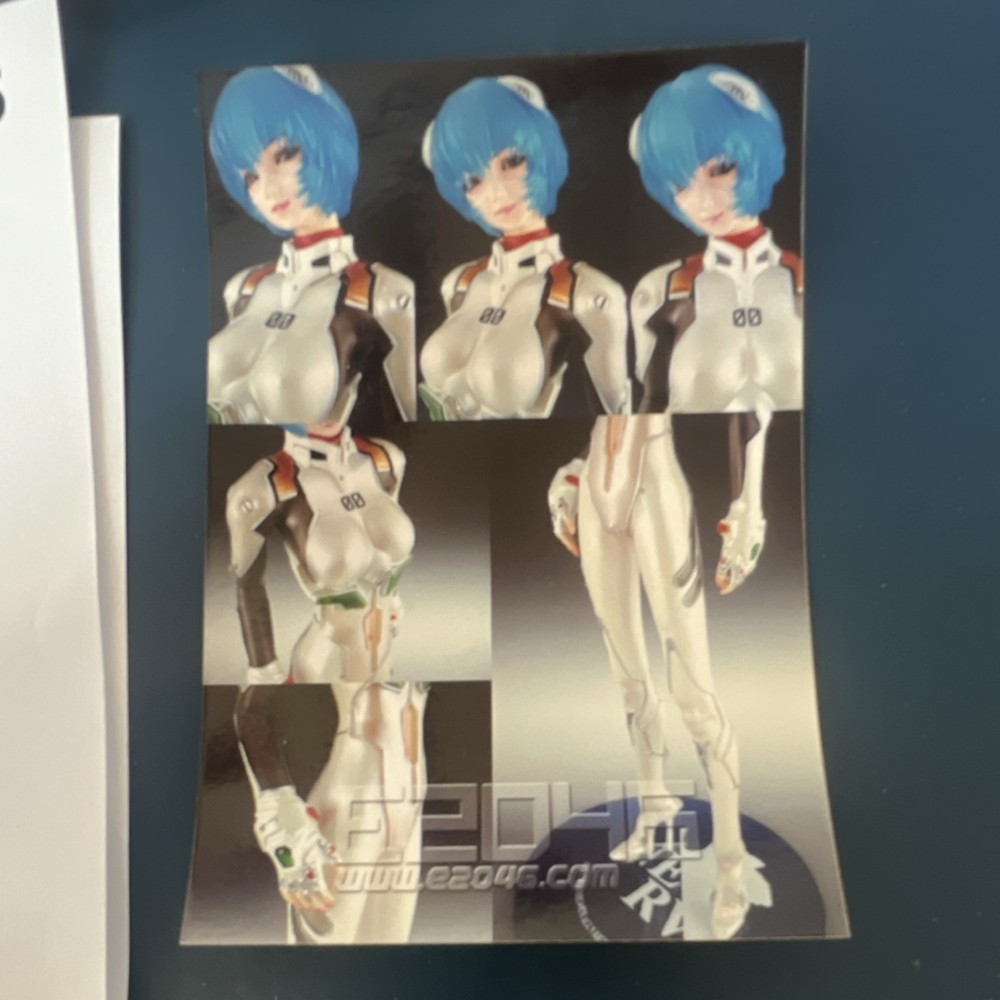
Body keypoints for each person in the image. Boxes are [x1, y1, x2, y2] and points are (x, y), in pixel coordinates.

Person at [549, 414, 749, 940]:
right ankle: (654, 802)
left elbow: (750, 401)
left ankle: (731, 862)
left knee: (693, 695)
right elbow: (607, 392)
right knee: (630, 680)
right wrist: (575, 469)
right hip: (596, 485)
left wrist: (749, 504)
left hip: (655, 483)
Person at [226, 421, 426, 943]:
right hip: (336, 694)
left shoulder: (384, 459)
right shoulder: (264, 487)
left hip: (410, 785)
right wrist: (281, 817)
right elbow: (251, 706)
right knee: (322, 966)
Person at [630, 64, 803, 593]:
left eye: (720, 169)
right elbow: (645, 405)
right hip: (678, 511)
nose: (704, 201)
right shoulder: (663, 290)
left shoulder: (805, 283)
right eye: (682, 184)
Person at [206, 64, 416, 430]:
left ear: (325, 141)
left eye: (284, 155)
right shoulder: (244, 289)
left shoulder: (380, 292)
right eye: (251, 177)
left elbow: (411, 425)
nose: (268, 189)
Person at [418, 75, 630, 420]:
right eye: (473, 181)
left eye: (511, 162)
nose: (497, 192)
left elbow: (617, 415)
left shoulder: (586, 291)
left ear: (541, 153)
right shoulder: (459, 283)